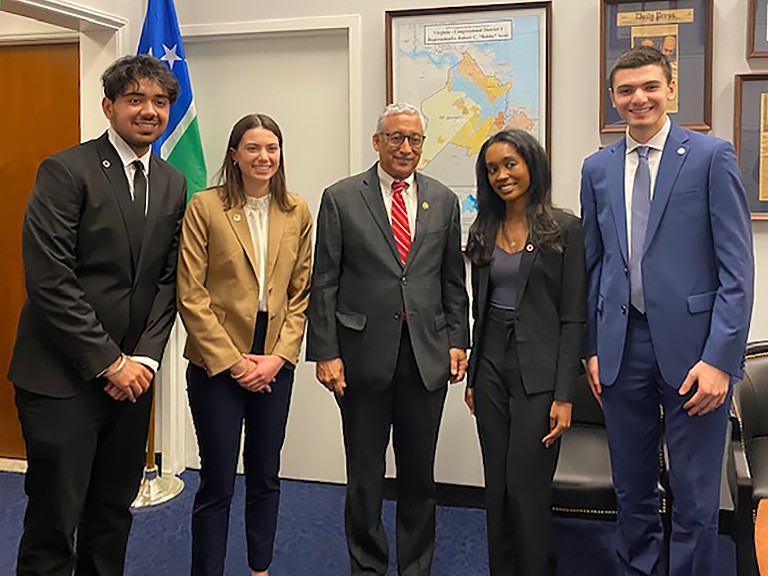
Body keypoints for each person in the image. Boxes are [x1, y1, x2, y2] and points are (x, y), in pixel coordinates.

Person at [8, 55, 186, 575]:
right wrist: (109, 362)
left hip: (133, 382)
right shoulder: (66, 170)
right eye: (135, 99)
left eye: (159, 102)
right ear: (109, 106)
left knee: (112, 513)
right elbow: (50, 279)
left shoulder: (173, 182)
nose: (149, 111)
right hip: (62, 379)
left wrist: (145, 362)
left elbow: (167, 282)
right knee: (54, 520)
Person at [580, 46, 754, 576]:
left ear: (670, 89)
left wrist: (722, 360)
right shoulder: (597, 167)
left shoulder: (709, 157)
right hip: (620, 347)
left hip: (695, 355)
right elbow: (594, 264)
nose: (639, 99)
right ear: (613, 98)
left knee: (696, 497)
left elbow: (737, 271)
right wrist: (591, 345)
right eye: (627, 90)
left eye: (650, 87)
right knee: (631, 489)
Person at [306, 102, 469, 576]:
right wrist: (326, 352)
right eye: (396, 138)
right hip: (361, 358)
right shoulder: (341, 197)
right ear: (377, 142)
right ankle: (368, 566)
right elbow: (325, 281)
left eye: (414, 139)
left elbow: (451, 281)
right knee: (364, 476)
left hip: (426, 357)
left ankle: (416, 566)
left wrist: (458, 338)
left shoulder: (442, 199)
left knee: (419, 476)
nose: (405, 147)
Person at [177, 113, 312, 576]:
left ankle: (260, 567)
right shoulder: (205, 207)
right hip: (217, 361)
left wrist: (277, 358)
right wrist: (235, 364)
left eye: (271, 148)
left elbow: (301, 294)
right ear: (234, 155)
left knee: (265, 473)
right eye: (252, 148)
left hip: (274, 358)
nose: (263, 157)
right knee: (216, 478)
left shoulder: (297, 211)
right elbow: (190, 295)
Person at [464, 129, 585, 576]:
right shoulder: (484, 228)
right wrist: (475, 376)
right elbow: (479, 309)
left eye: (510, 164)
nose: (502, 175)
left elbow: (574, 316)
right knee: (496, 486)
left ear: (532, 164)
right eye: (492, 169)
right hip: (491, 363)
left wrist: (564, 395)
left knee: (525, 487)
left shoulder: (564, 227)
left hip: (540, 371)